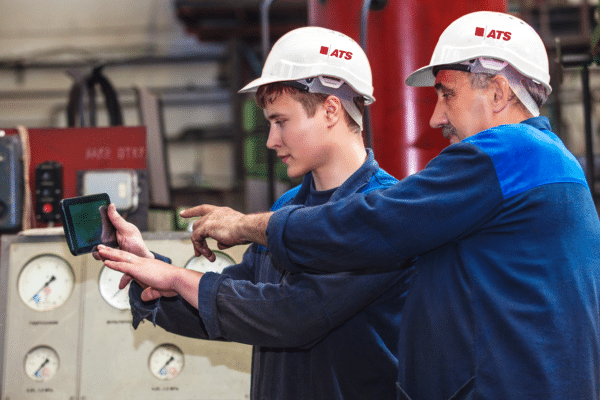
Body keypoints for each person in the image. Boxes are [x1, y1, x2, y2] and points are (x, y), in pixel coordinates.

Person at [185, 11, 600, 400]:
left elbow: (375, 223)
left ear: (497, 92)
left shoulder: (507, 152)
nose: (436, 117)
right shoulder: (549, 162)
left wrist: (246, 227)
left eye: (446, 94)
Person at [97, 26, 414, 400]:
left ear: (331, 109)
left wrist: (179, 278)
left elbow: (293, 316)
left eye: (281, 121)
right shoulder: (286, 209)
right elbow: (235, 305)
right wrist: (147, 268)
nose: (270, 140)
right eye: (269, 123)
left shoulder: (386, 214)